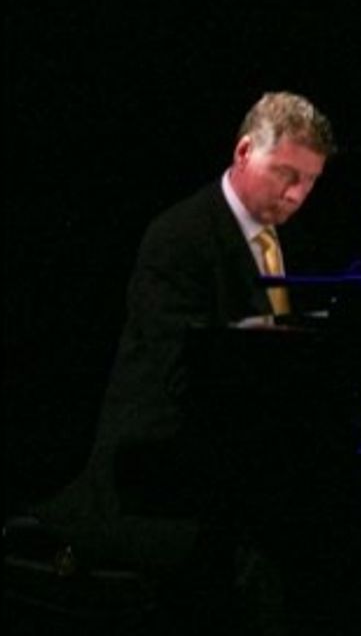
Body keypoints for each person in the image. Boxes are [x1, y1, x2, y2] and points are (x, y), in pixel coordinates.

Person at [26, 91, 335, 572]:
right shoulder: (179, 236)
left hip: (254, 448)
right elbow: (174, 366)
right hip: (162, 461)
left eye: (310, 181)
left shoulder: (296, 237)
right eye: (286, 174)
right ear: (244, 151)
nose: (296, 194)